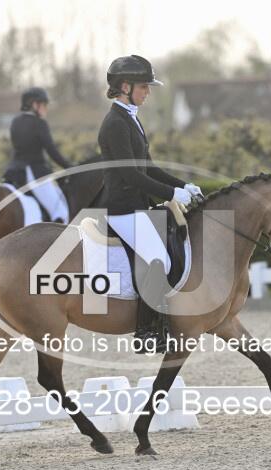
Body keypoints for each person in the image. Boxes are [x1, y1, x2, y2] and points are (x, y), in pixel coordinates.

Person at [96, 54, 203, 353]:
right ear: (125, 86)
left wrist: (182, 186)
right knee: (158, 258)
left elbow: (149, 167)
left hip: (137, 206)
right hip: (122, 208)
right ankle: (146, 331)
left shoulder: (131, 119)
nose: (148, 92)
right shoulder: (115, 123)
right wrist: (171, 195)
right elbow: (131, 175)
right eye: (144, 86)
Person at [2, 87, 71, 223]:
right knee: (61, 212)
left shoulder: (15, 122)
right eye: (44, 105)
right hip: (35, 173)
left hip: (14, 172)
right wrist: (70, 167)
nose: (46, 109)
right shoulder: (39, 123)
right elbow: (51, 150)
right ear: (35, 105)